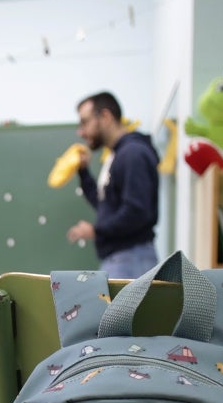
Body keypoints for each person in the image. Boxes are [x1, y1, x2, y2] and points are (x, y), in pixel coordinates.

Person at [65, 91, 160, 280]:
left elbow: (136, 211)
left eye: (85, 122)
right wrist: (83, 172)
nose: (81, 132)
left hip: (131, 258)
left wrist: (96, 231)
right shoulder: (117, 156)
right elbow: (105, 205)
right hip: (123, 258)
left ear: (106, 117)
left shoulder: (132, 153)